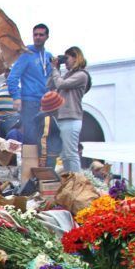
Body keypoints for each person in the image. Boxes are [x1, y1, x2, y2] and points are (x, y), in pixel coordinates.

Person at [7, 23, 53, 148]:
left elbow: (51, 80)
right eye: (35, 34)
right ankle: (29, 166)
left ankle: (41, 167)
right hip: (29, 102)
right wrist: (16, 97)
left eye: (41, 35)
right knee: (30, 138)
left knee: (44, 138)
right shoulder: (26, 54)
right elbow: (12, 77)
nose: (38, 37)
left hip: (45, 104)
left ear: (47, 37)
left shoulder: (48, 56)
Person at [46, 46, 90, 174]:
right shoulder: (67, 75)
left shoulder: (82, 75)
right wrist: (56, 69)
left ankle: (77, 183)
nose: (65, 61)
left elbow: (60, 84)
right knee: (64, 155)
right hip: (62, 118)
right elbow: (50, 85)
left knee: (71, 154)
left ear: (76, 58)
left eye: (67, 58)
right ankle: (70, 182)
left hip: (71, 118)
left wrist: (55, 69)